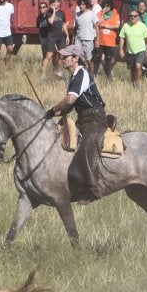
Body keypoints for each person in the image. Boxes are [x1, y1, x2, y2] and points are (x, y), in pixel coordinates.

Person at [44, 44, 108, 200]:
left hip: (95, 118)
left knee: (86, 147)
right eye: (61, 56)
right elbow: (69, 106)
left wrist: (53, 110)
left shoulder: (81, 74)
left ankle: (91, 188)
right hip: (83, 119)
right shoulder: (72, 78)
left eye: (65, 57)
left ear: (75, 58)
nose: (61, 59)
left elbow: (70, 99)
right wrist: (52, 115)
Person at [119, 6, 147, 86]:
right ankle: (133, 83)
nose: (133, 17)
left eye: (135, 16)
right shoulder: (126, 26)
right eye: (131, 16)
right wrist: (121, 50)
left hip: (140, 50)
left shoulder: (142, 26)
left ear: (138, 17)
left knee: (138, 66)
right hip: (130, 51)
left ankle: (138, 83)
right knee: (133, 69)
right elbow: (122, 38)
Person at [37, 0, 68, 78]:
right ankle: (43, 74)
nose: (55, 3)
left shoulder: (62, 13)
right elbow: (50, 21)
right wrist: (54, 10)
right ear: (51, 4)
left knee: (61, 55)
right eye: (53, 2)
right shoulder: (47, 12)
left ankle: (59, 73)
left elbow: (64, 24)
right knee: (49, 55)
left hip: (60, 36)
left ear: (59, 3)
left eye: (57, 2)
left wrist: (67, 35)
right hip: (51, 36)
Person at [93, 1, 121, 81]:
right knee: (97, 58)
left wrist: (106, 26)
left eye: (108, 5)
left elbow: (117, 26)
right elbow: (97, 24)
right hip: (100, 41)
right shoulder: (100, 13)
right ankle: (94, 76)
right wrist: (102, 14)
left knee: (108, 60)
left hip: (110, 41)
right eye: (105, 5)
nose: (106, 7)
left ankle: (108, 76)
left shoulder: (115, 13)